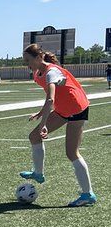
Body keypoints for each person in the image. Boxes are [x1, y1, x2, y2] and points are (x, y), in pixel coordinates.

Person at [19, 43, 97, 206]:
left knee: (72, 153)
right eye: (24, 61)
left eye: (28, 60)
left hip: (76, 108)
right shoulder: (37, 73)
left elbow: (51, 99)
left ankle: (88, 195)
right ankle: (38, 173)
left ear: (39, 57)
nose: (26, 64)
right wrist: (41, 114)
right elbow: (50, 99)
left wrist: (44, 123)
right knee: (34, 137)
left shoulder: (51, 72)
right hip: (63, 109)